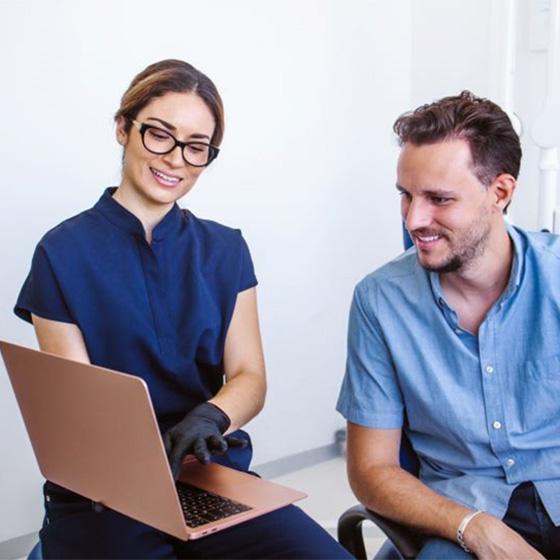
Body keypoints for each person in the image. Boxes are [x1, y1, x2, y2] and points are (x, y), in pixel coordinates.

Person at [15, 59, 351, 560]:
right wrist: (140, 469)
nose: (175, 159)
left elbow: (249, 377)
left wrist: (212, 416)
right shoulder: (62, 253)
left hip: (210, 479)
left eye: (196, 147)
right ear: (123, 129)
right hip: (106, 497)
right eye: (159, 135)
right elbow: (77, 415)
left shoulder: (226, 249)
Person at [337, 91, 560, 559]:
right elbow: (371, 469)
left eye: (439, 199)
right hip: (461, 513)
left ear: (500, 192)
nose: (414, 219)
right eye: (406, 195)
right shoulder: (380, 301)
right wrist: (475, 529)